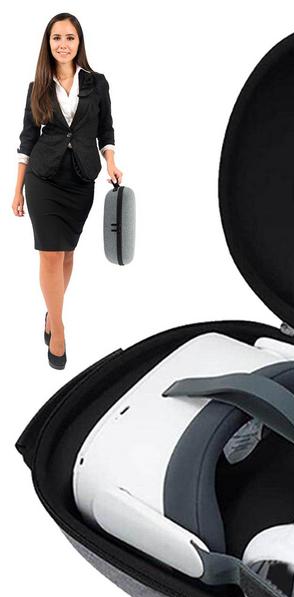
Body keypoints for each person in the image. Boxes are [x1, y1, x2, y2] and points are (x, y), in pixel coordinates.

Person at [11, 12, 123, 370]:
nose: (63, 44)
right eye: (56, 38)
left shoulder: (97, 83)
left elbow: (105, 129)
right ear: (48, 44)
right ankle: (58, 328)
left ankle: (50, 313)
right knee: (49, 255)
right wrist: (17, 189)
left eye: (69, 37)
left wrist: (111, 162)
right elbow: (27, 140)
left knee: (68, 254)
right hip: (43, 178)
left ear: (79, 42)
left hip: (80, 179)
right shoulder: (38, 87)